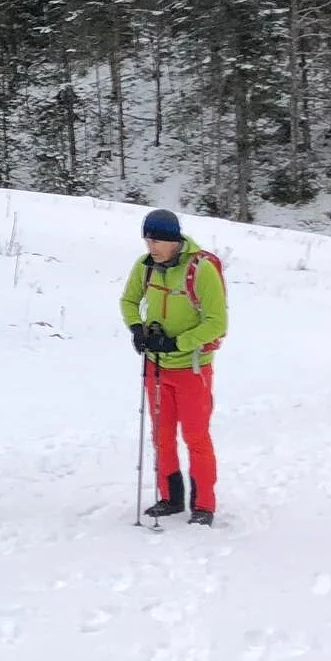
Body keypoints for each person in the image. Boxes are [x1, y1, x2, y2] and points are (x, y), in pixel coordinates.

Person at [120, 208, 227, 526]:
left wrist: (177, 343)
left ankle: (203, 505)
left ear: (173, 240)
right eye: (147, 240)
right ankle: (171, 497)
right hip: (155, 367)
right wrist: (137, 328)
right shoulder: (145, 267)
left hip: (192, 369)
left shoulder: (201, 270)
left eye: (156, 241)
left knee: (195, 436)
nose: (150, 246)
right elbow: (128, 301)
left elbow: (217, 323)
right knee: (161, 436)